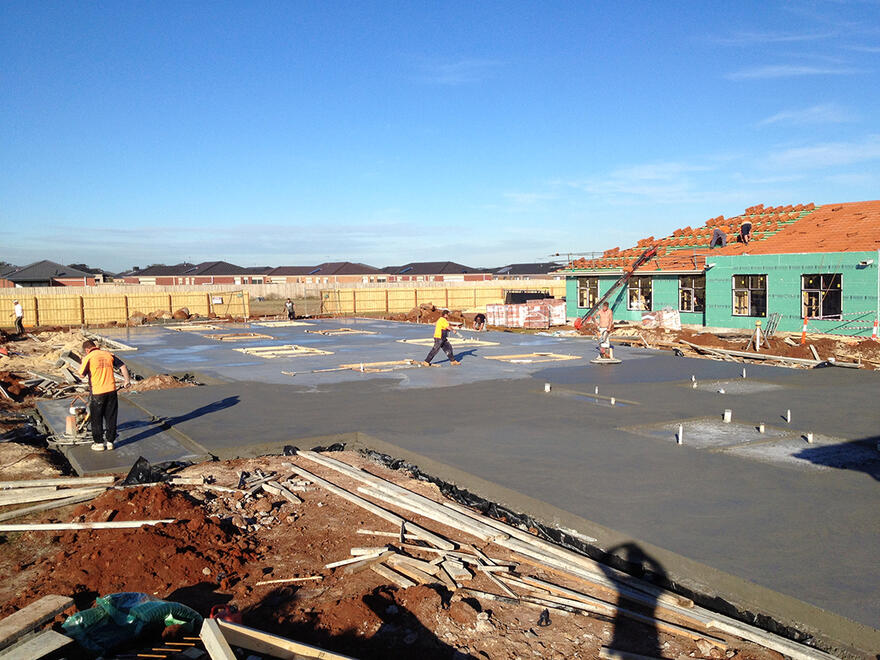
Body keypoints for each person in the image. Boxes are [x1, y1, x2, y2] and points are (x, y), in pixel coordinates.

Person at [79, 339, 130, 451]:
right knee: (111, 417)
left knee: (96, 418)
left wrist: (82, 362)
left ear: (87, 350)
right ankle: (110, 442)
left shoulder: (88, 357)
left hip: (98, 393)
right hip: (111, 391)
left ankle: (99, 443)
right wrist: (126, 380)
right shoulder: (108, 354)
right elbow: (123, 366)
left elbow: (81, 375)